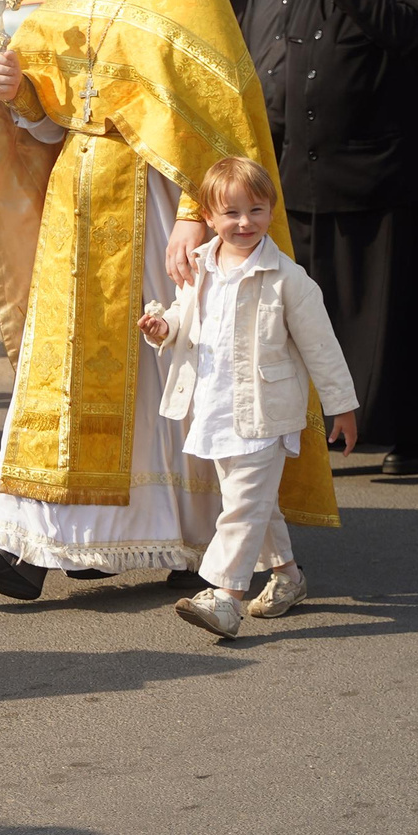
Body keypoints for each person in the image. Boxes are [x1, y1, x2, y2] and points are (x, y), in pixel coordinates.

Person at [0, 0, 333, 600]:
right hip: (75, 215)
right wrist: (20, 99)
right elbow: (51, 117)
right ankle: (35, 545)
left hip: (158, 218)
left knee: (174, 376)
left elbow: (219, 126)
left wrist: (194, 210)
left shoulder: (190, 4)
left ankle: (197, 539)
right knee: (62, 370)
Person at [258, 0, 418, 473]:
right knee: (315, 320)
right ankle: (320, 429)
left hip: (382, 182)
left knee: (391, 322)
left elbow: (396, 30)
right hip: (309, 177)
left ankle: (411, 437)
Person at [139, 156, 358, 639]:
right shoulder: (200, 268)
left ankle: (224, 599)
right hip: (214, 409)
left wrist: (341, 406)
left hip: (266, 413)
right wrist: (163, 329)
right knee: (257, 504)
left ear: (271, 212)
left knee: (240, 506)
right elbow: (183, 319)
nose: (244, 223)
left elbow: (322, 348)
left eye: (256, 210)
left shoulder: (288, 280)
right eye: (231, 212)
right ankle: (288, 578)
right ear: (209, 217)